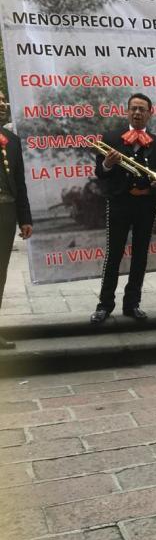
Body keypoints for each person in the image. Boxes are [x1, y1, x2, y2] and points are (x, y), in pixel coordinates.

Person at [90, 93, 156, 324]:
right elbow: (100, 172)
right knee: (114, 254)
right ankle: (104, 305)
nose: (137, 113)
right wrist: (108, 162)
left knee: (140, 256)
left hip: (146, 205)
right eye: (133, 108)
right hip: (120, 204)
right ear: (127, 111)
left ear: (149, 113)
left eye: (142, 109)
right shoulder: (111, 138)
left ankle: (132, 304)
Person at [0, 92, 32, 349]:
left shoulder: (11, 139)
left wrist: (25, 218)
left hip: (6, 212)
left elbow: (19, 183)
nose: (2, 104)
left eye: (3, 100)